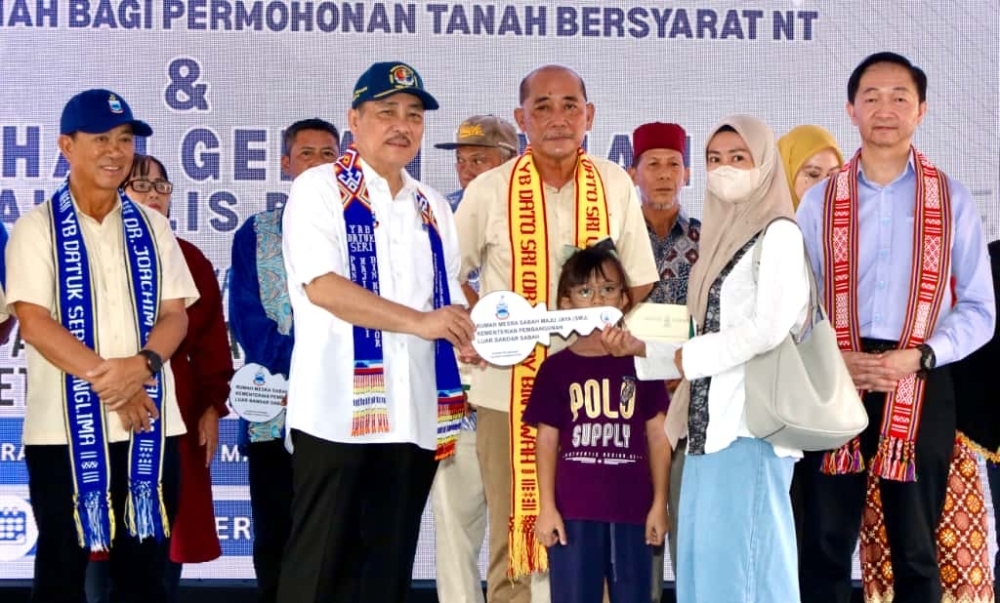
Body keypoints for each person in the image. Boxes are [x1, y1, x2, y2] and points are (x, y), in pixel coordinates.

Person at [796, 52, 995, 603]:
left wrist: (923, 356)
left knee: (916, 548)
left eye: (900, 97)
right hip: (835, 377)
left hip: (921, 378)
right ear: (851, 110)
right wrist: (832, 356)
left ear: (922, 110)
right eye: (872, 97)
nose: (886, 109)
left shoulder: (951, 199)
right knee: (826, 543)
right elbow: (797, 302)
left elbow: (980, 308)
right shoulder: (820, 199)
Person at [455, 64, 658, 602]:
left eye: (570, 105)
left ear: (589, 116)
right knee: (515, 534)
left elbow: (639, 283)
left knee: (610, 531)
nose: (558, 118)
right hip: (510, 390)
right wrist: (477, 329)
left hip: (605, 395)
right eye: (542, 106)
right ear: (521, 119)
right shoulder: (489, 190)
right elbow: (448, 273)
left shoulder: (615, 183)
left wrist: (614, 342)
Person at [275, 61, 474, 603]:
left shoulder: (431, 204)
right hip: (337, 412)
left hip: (412, 413)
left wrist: (473, 334)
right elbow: (324, 287)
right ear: (354, 121)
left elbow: (448, 296)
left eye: (413, 115)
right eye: (386, 112)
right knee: (318, 567)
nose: (401, 125)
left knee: (386, 571)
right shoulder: (317, 189)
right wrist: (423, 322)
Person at [604, 114, 809, 602]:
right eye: (715, 159)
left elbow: (766, 328)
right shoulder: (722, 238)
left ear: (764, 167)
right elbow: (702, 329)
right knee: (704, 572)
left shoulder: (779, 234)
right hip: (705, 428)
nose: (724, 169)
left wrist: (684, 360)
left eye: (739, 158)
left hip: (749, 428)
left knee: (747, 571)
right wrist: (643, 351)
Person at [5, 89, 198, 603]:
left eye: (125, 139)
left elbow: (174, 315)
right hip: (61, 431)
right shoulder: (36, 227)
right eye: (100, 139)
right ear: (66, 146)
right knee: (62, 571)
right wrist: (116, 385)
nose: (116, 151)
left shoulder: (154, 226)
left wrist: (143, 365)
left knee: (145, 575)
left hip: (152, 424)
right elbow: (34, 320)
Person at [84, 154, 234, 603]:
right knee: (100, 550)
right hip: (100, 409)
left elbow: (210, 344)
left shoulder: (188, 257)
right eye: (140, 185)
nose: (152, 195)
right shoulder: (82, 253)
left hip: (175, 415)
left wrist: (211, 406)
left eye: (160, 187)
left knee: (164, 550)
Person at [229, 117, 340, 603]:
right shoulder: (256, 232)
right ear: (286, 163)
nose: (317, 163)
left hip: (347, 407)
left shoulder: (362, 229)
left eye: (328, 154)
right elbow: (249, 321)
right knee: (276, 531)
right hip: (274, 407)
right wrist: (306, 363)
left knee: (340, 536)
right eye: (307, 153)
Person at [526, 245, 670, 603]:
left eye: (608, 289)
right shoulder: (556, 368)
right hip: (573, 514)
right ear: (566, 302)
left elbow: (658, 435)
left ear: (624, 298)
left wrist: (660, 503)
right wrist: (547, 507)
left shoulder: (642, 361)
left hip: (632, 512)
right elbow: (545, 441)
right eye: (585, 291)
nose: (597, 299)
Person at [430, 113, 517, 603]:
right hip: (459, 394)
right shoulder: (439, 217)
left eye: (479, 159)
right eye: (462, 161)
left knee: (518, 521)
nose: (467, 170)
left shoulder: (530, 216)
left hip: (515, 394)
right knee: (454, 524)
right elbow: (430, 288)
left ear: (509, 160)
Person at [627, 121, 699, 597]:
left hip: (690, 404)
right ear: (633, 172)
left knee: (691, 531)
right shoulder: (616, 241)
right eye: (652, 164)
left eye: (673, 164)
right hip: (631, 405)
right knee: (638, 533)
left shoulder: (707, 239)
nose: (664, 174)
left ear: (688, 173)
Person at [434, 114, 519, 210]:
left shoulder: (531, 210)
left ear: (510, 161)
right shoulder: (443, 210)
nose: (466, 172)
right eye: (460, 160)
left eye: (477, 161)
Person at [777, 125, 843, 210]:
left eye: (833, 175)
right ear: (786, 173)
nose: (826, 186)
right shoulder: (762, 221)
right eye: (813, 174)